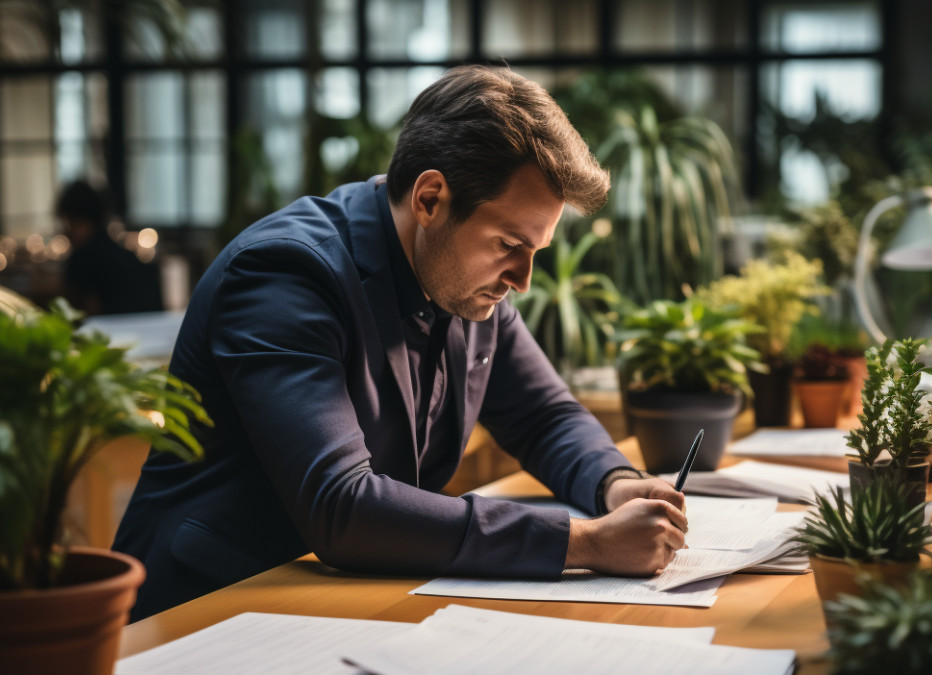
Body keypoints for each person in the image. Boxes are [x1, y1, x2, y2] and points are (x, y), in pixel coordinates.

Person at [113, 66, 687, 620]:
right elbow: (342, 504)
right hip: (212, 607)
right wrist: (583, 543)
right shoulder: (285, 274)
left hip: (338, 601)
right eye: (510, 244)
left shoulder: (463, 280)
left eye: (535, 250)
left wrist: (617, 485)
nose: (523, 279)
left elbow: (543, 415)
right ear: (430, 199)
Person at [56, 180, 163, 316]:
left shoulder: (84, 257)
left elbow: (73, 310)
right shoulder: (122, 253)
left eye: (68, 222)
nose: (66, 231)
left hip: (114, 326)